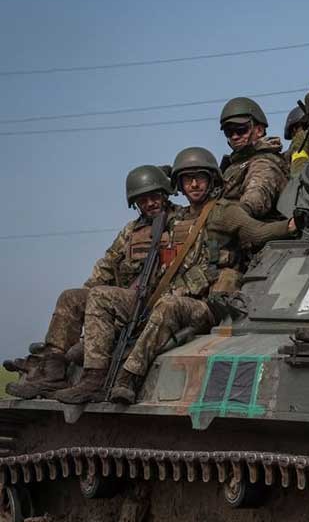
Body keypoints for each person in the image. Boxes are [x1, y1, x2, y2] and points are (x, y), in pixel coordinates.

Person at [52, 148, 299, 405]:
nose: (193, 184)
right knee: (101, 296)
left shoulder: (223, 212)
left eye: (200, 177)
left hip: (203, 306)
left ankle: (129, 377)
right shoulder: (172, 219)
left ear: (211, 179)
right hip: (165, 297)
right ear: (179, 185)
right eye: (187, 179)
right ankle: (93, 377)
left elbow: (257, 232)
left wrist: (290, 225)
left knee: (169, 306)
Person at [6, 165, 183, 399]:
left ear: (165, 193)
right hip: (123, 300)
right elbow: (106, 267)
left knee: (100, 295)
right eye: (142, 200)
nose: (150, 203)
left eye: (154, 197)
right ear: (135, 204)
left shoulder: (182, 221)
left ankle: (94, 379)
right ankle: (50, 372)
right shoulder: (130, 231)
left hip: (157, 302)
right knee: (71, 297)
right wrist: (87, 304)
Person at [219, 97, 289, 219]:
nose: (235, 137)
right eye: (229, 132)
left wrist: (231, 218)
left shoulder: (264, 162)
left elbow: (256, 196)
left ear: (259, 130)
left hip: (255, 232)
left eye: (241, 130)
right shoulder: (234, 166)